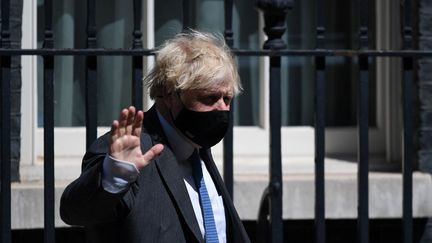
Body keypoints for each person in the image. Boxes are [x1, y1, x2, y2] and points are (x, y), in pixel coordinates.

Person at [60, 30, 251, 243]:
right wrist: (115, 175)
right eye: (209, 98)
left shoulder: (197, 149)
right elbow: (74, 211)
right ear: (170, 94)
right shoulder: (129, 153)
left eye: (227, 99)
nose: (222, 109)